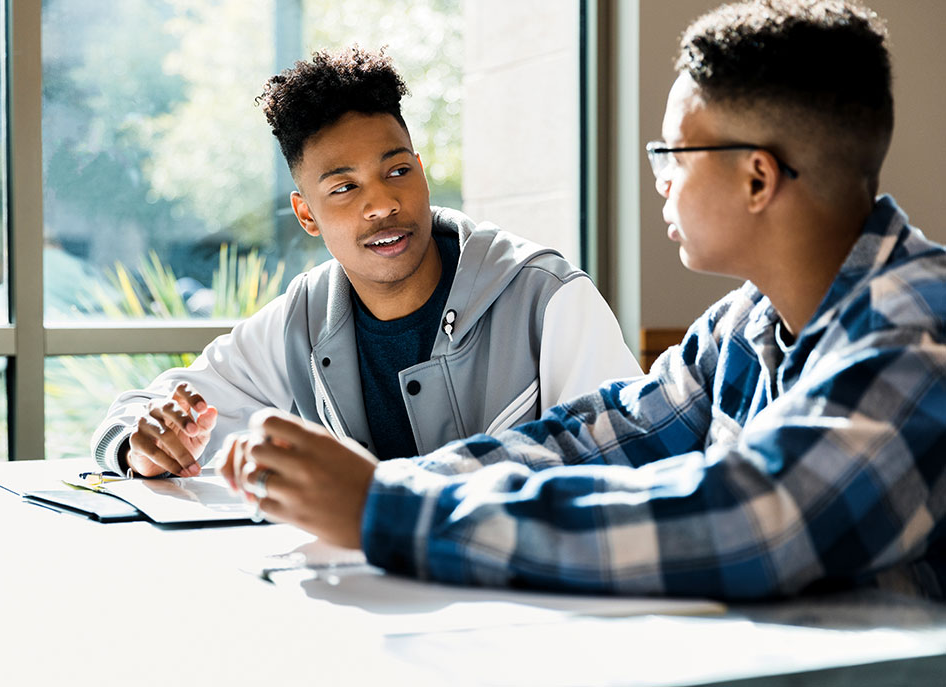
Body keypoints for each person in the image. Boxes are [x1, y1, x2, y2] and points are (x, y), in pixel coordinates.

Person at [221, 0, 946, 601]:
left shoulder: (917, 327)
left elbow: (752, 522)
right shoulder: (744, 324)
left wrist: (386, 509)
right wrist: (372, 484)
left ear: (757, 179)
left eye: (672, 154)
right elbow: (593, 440)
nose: (658, 178)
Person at [90, 47, 640, 478]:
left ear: (422, 171)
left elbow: (634, 463)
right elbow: (138, 411)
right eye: (345, 187)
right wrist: (145, 447)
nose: (381, 204)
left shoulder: (547, 299)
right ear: (307, 215)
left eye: (397, 171)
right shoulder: (302, 321)